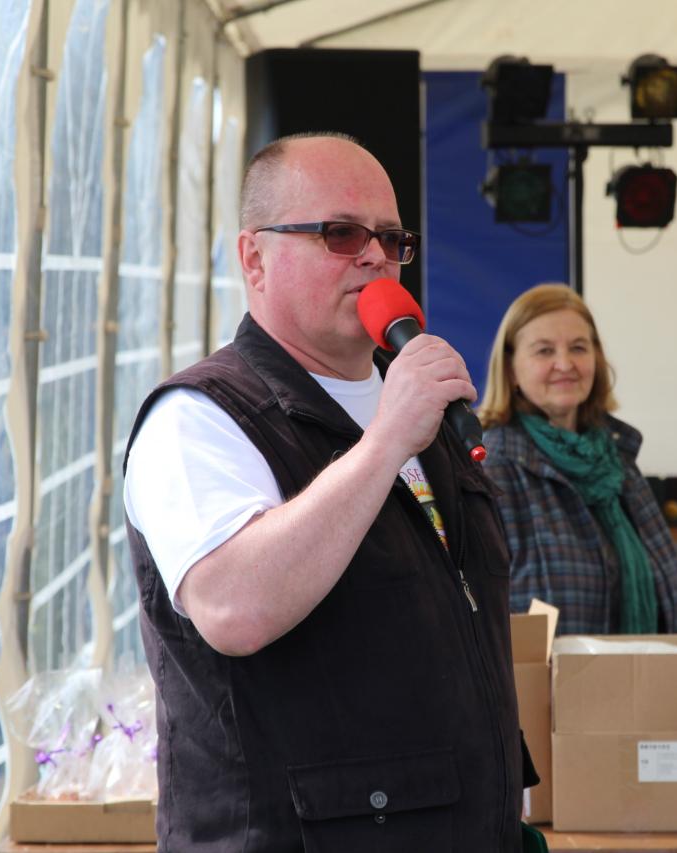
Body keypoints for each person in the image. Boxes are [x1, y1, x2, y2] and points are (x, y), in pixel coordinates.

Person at [122, 132, 526, 850]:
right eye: (341, 233)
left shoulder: (415, 405)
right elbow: (234, 607)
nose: (374, 256)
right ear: (254, 258)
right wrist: (384, 443)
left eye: (392, 238)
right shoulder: (198, 418)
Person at [477, 283, 677, 636]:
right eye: (544, 350)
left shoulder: (618, 461)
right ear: (511, 369)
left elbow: (668, 594)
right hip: (544, 673)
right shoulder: (493, 467)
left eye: (578, 347)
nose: (565, 364)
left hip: (645, 668)